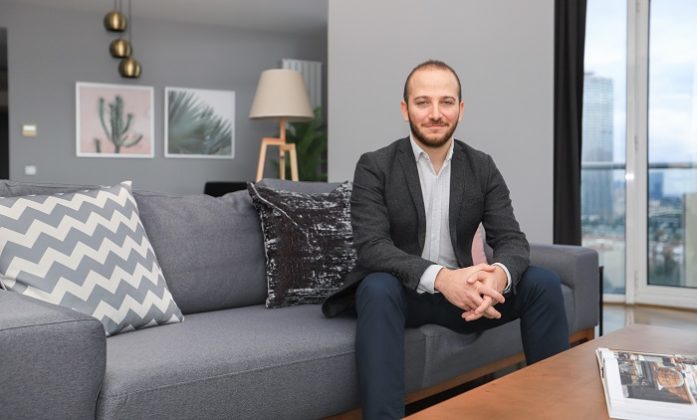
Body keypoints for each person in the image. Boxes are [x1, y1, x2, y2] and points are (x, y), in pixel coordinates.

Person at [322, 60, 570, 419]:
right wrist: (442, 279)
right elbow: (372, 247)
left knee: (542, 283)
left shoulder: (482, 166)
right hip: (404, 294)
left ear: (461, 109)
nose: (436, 113)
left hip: (467, 297)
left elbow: (512, 239)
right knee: (375, 287)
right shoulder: (375, 166)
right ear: (405, 109)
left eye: (446, 102)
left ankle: (556, 411)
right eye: (423, 102)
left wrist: (497, 277)